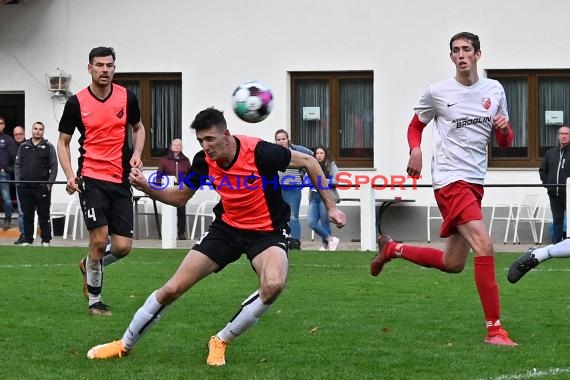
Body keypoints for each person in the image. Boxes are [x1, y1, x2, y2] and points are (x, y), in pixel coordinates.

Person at [85, 107, 346, 365]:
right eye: (200, 140)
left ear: (227, 135)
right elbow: (180, 198)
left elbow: (310, 162)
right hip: (226, 230)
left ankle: (220, 340)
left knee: (274, 285)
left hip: (267, 233)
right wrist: (146, 187)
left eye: (210, 139)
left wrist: (331, 206)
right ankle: (123, 344)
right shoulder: (203, 161)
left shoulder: (261, 151)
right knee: (172, 288)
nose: (205, 146)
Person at [370, 32, 517, 346]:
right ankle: (494, 331)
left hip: (475, 181)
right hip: (450, 180)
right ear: (451, 57)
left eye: (467, 50)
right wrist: (415, 150)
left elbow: (504, 142)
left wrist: (505, 131)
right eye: (456, 51)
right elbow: (415, 125)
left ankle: (393, 249)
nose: (461, 55)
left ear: (478, 54)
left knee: (453, 264)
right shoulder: (437, 92)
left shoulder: (495, 90)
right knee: (485, 246)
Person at [57, 46, 146, 316]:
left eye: (109, 65)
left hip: (120, 179)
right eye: (99, 65)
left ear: (114, 68)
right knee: (99, 240)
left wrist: (138, 155)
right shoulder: (77, 102)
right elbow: (63, 141)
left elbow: (138, 128)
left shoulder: (126, 97)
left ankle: (89, 264)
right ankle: (95, 302)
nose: (104, 70)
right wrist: (70, 175)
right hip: (91, 179)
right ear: (90, 68)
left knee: (122, 247)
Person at [14, 122, 58, 246]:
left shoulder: (49, 147)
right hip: (25, 187)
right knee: (27, 214)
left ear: (43, 131)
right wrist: (18, 183)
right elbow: (17, 165)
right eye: (35, 128)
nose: (38, 131)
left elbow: (54, 167)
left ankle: (46, 240)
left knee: (43, 214)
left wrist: (49, 184)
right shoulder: (23, 146)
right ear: (32, 130)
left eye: (40, 129)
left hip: (42, 188)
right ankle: (28, 239)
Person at [274, 129, 313, 250]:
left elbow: (311, 155)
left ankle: (295, 243)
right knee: (278, 216)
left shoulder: (295, 150)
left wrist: (302, 173)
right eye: (278, 139)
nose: (281, 142)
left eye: (283, 139)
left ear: (288, 139)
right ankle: (281, 241)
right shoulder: (273, 151)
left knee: (293, 217)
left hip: (293, 188)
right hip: (278, 188)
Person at [538, 125, 570, 244]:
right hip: (554, 193)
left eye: (567, 134)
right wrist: (548, 184)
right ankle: (556, 246)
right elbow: (543, 170)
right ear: (558, 136)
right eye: (562, 133)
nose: (564, 136)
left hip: (569, 193)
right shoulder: (551, 153)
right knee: (557, 220)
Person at [156, 138, 191, 240]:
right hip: (168, 190)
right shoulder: (165, 160)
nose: (176, 147)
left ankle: (181, 233)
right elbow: (159, 174)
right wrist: (158, 187)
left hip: (181, 189)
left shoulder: (186, 160)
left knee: (181, 211)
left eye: (179, 145)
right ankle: (166, 233)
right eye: (175, 145)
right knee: (168, 211)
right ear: (171, 147)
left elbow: (190, 174)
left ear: (181, 147)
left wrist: (189, 187)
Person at [307, 145, 340, 251]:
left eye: (321, 153)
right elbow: (305, 177)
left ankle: (326, 245)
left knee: (325, 222)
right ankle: (331, 240)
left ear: (325, 154)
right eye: (317, 153)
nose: (319, 155)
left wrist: (324, 181)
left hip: (325, 196)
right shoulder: (311, 165)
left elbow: (336, 180)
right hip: (314, 196)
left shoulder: (331, 164)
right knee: (311, 222)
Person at [0, 116, 18, 231]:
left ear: (4, 125)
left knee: (6, 197)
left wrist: (8, 169)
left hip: (2, 174)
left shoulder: (8, 140)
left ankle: (7, 221)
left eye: (0, 123)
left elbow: (16, 159)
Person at [12, 125, 26, 244]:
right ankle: (23, 234)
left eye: (20, 134)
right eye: (16, 134)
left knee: (41, 211)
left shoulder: (30, 146)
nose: (18, 136)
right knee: (21, 211)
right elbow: (13, 165)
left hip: (33, 183)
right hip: (20, 184)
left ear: (24, 133)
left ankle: (45, 238)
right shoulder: (11, 147)